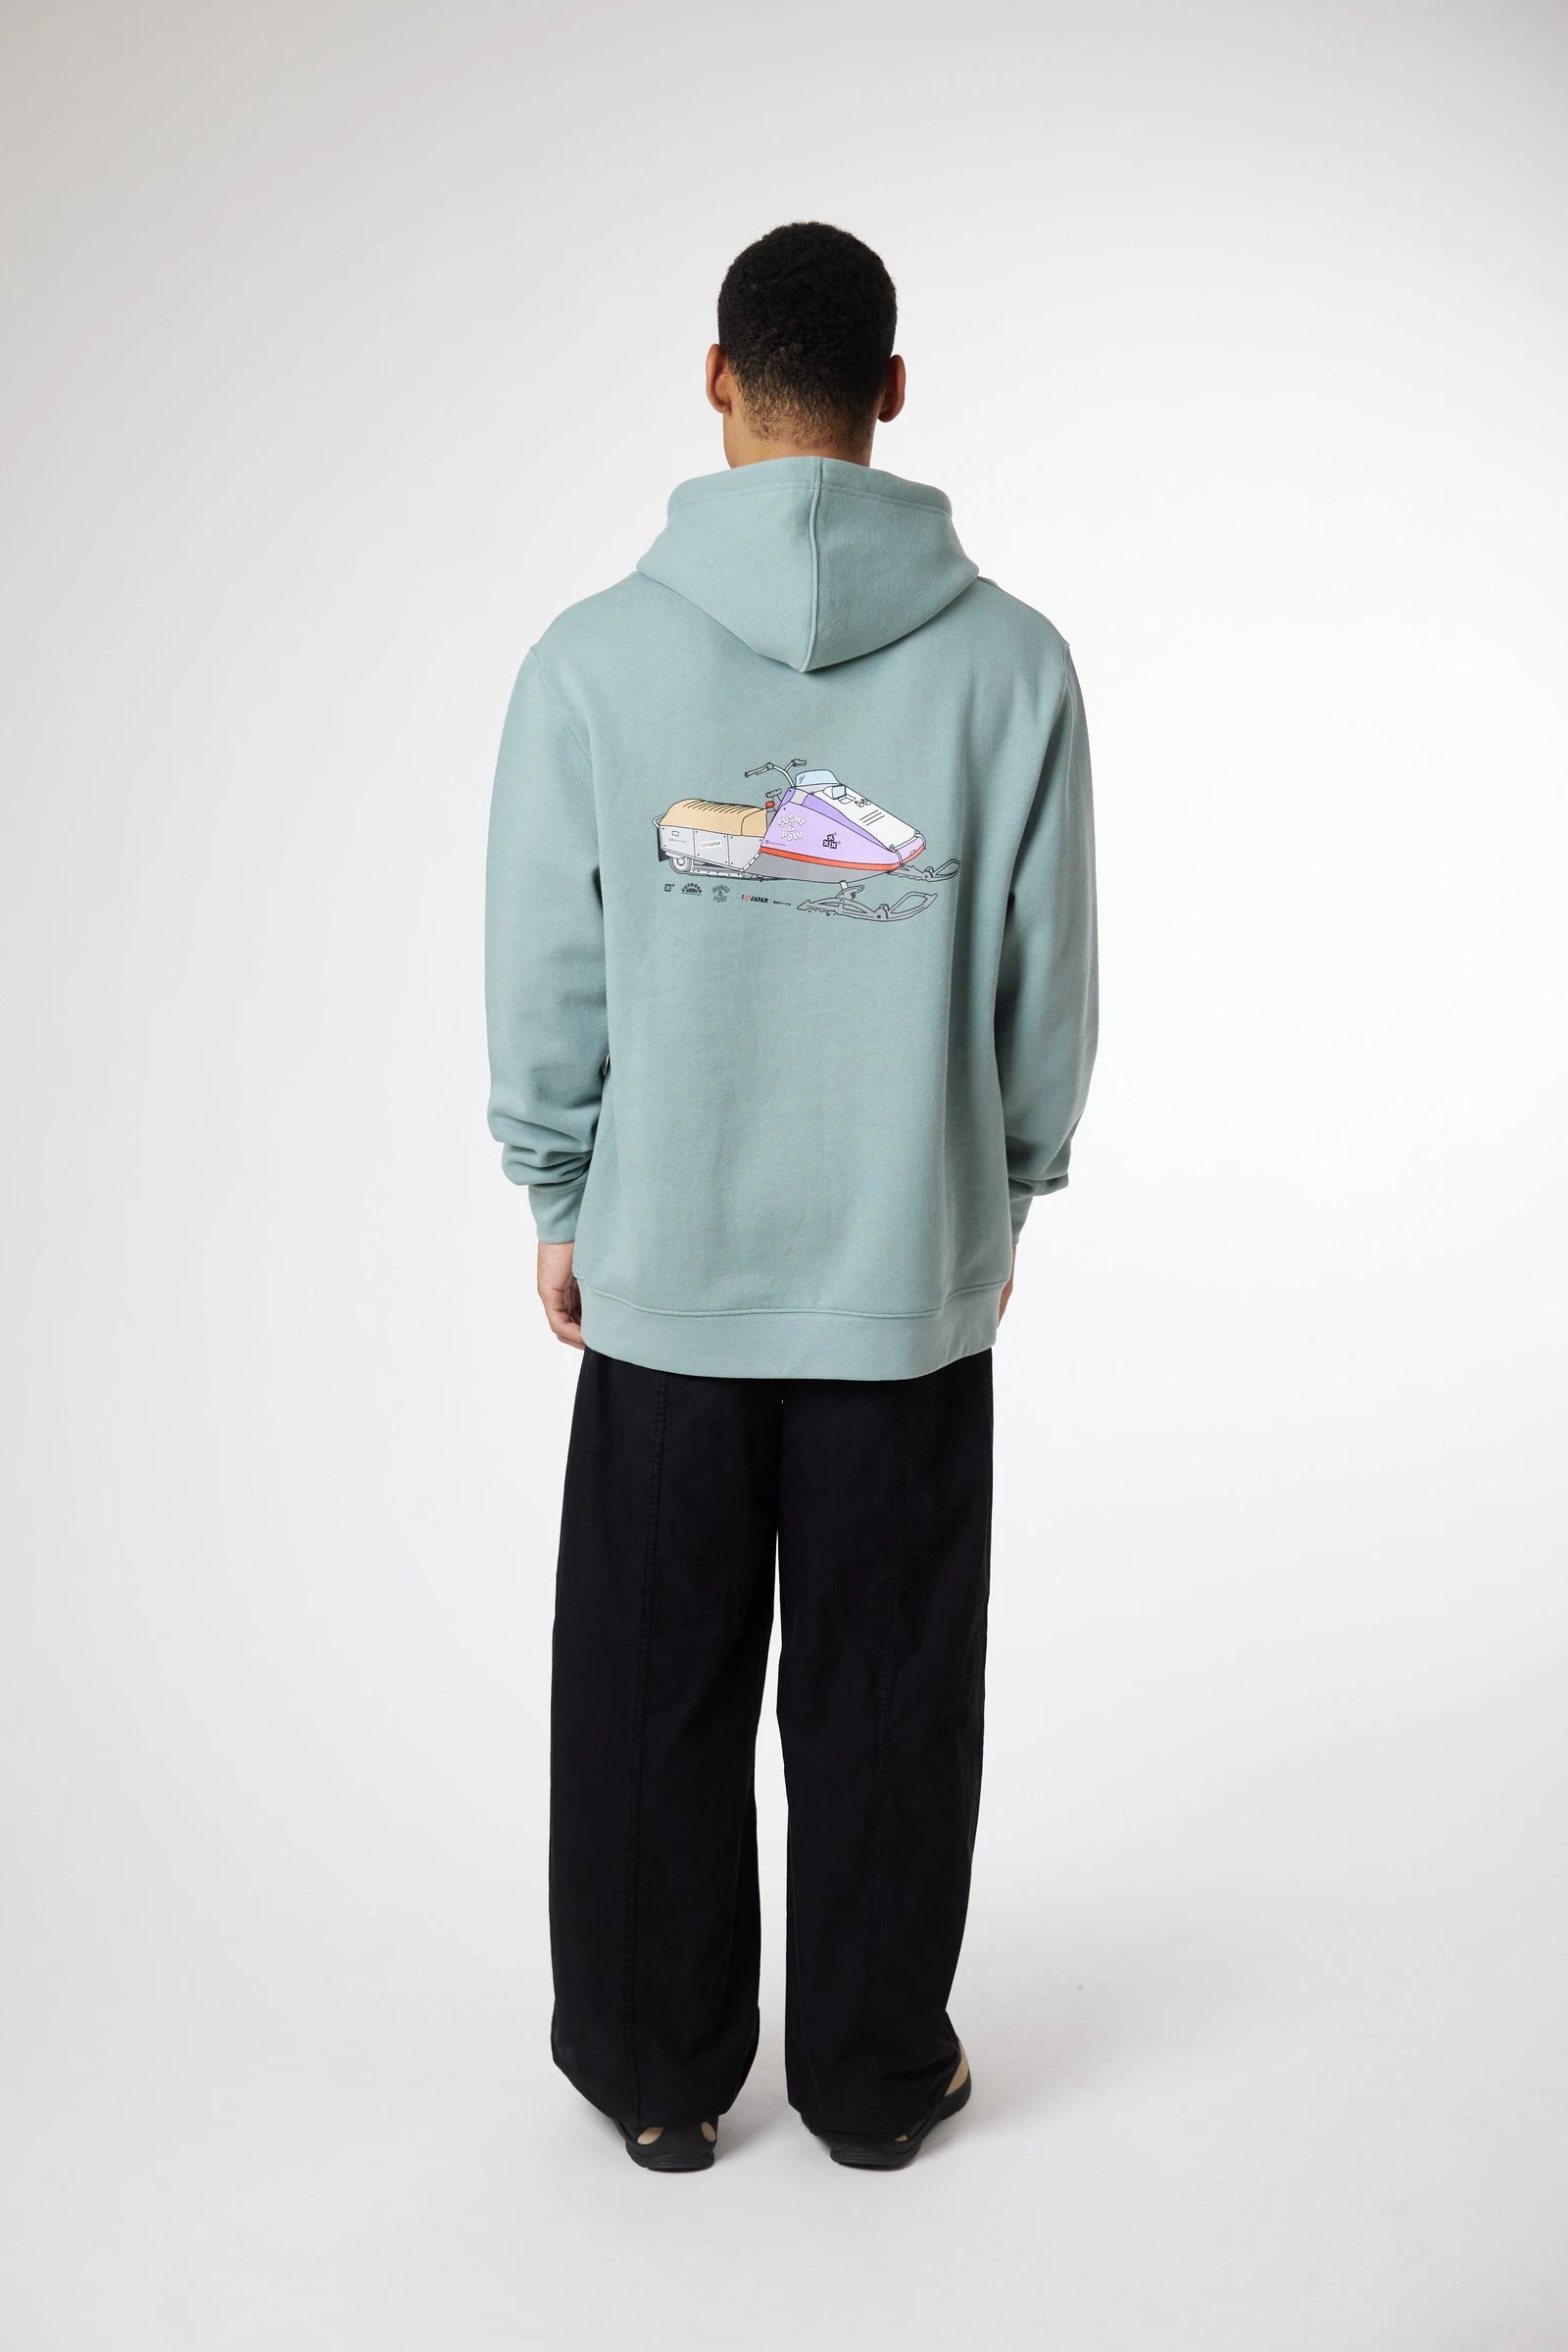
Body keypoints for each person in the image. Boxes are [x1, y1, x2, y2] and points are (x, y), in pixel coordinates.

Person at [484, 220, 1098, 2173]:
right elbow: (1047, 988)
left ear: (716, 380)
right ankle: (873, 2082)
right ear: (891, 390)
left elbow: (546, 969)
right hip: (901, 1274)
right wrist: (998, 1196)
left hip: (666, 1272)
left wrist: (559, 1188)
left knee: (647, 1690)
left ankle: (658, 2081)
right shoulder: (1013, 664)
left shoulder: (589, 659)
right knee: (889, 1691)